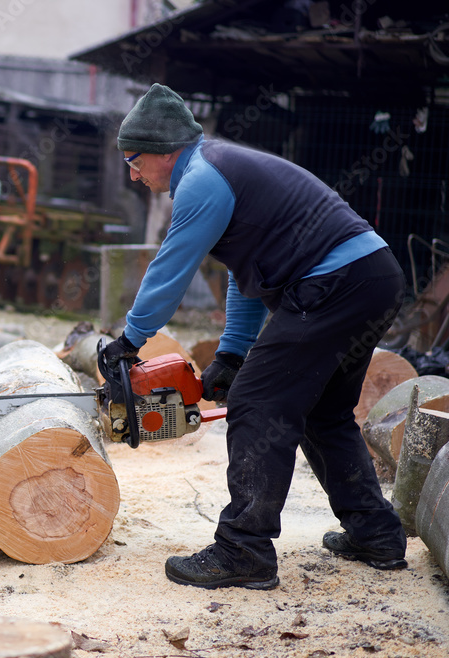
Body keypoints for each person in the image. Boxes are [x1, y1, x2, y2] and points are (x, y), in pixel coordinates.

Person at [100, 83, 408, 590]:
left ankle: (244, 549)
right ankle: (376, 535)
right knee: (324, 414)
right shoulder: (219, 169)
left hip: (337, 282)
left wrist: (130, 340)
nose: (131, 172)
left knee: (258, 404)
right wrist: (232, 352)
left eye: (134, 160)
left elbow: (171, 266)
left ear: (163, 151)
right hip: (371, 277)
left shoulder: (201, 178)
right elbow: (248, 273)